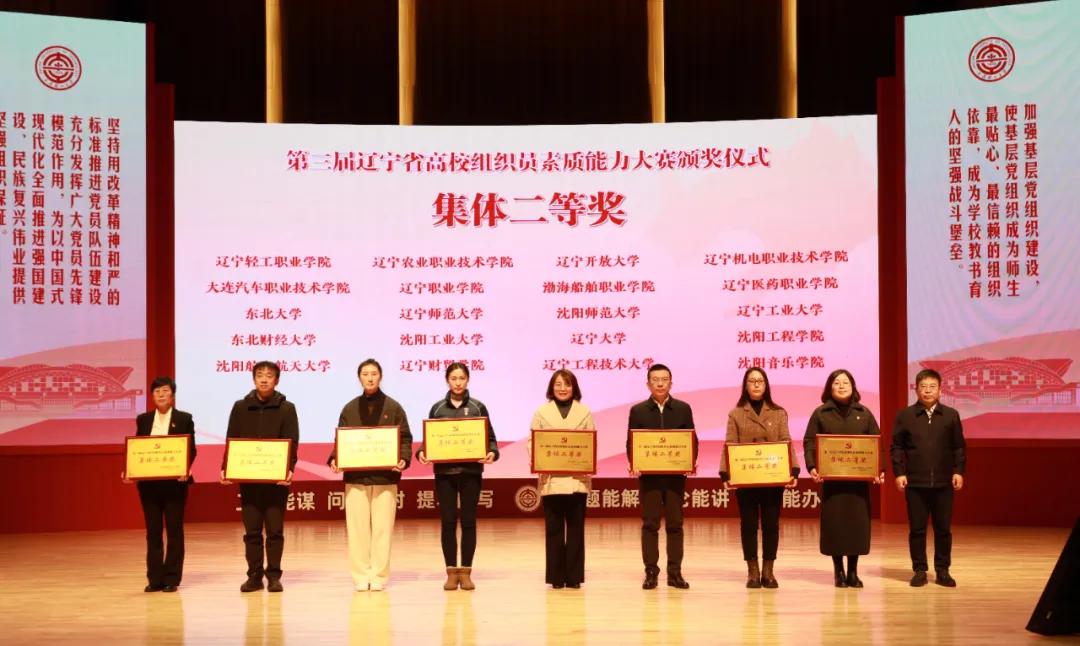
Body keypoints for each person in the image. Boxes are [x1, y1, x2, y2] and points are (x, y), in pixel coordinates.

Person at [328, 359, 412, 591]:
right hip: (356, 478)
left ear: (380, 376)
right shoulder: (350, 408)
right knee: (357, 530)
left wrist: (403, 459)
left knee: (383, 529)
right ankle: (360, 574)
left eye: (374, 373)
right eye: (365, 374)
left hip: (385, 477)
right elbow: (341, 440)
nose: (370, 378)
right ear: (359, 378)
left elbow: (405, 438)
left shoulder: (394, 407)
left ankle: (379, 575)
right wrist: (335, 459)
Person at [417, 362, 499, 591]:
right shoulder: (437, 409)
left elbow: (491, 439)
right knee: (448, 522)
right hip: (445, 474)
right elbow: (428, 441)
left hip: (471, 472)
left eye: (462, 378)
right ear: (447, 380)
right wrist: (422, 452)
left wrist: (492, 453)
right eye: (453, 378)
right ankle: (451, 572)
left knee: (469, 522)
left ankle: (466, 571)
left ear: (468, 379)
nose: (458, 382)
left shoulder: (478, 407)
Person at [220, 360, 300, 593]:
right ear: (254, 379)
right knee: (252, 532)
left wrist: (289, 468)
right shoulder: (240, 407)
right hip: (250, 480)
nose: (264, 379)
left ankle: (273, 576)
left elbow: (292, 441)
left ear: (277, 380)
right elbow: (232, 439)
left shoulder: (287, 408)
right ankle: (254, 576)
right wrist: (226, 467)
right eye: (260, 375)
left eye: (269, 375)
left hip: (276, 481)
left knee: (275, 531)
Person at [719, 367, 799, 589]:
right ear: (745, 386)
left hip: (772, 478)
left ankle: (768, 571)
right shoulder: (736, 413)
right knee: (749, 525)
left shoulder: (778, 412)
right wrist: (725, 473)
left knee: (771, 525)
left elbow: (786, 441)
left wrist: (793, 470)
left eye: (760, 381)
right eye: (752, 381)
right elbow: (730, 443)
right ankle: (752, 571)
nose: (756, 384)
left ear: (766, 385)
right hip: (746, 478)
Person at [803, 369, 884, 588]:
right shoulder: (821, 413)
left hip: (857, 483)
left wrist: (879, 469)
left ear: (853, 387)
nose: (841, 386)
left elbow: (877, 443)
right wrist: (812, 466)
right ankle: (838, 571)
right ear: (830, 387)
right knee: (836, 526)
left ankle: (853, 572)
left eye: (845, 382)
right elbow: (809, 442)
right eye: (836, 382)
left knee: (856, 526)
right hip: (833, 484)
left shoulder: (864, 413)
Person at [891, 368, 966, 588]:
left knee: (943, 530)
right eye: (923, 387)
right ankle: (920, 570)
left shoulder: (951, 415)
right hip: (915, 482)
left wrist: (958, 471)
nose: (927, 391)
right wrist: (899, 473)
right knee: (917, 529)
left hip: (944, 482)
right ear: (916, 390)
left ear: (940, 390)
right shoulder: (905, 416)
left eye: (932, 387)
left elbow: (959, 447)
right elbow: (896, 447)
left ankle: (943, 570)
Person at [626, 363, 697, 590]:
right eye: (655, 379)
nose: (659, 383)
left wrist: (691, 461)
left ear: (671, 383)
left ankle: (675, 573)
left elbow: (692, 440)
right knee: (650, 525)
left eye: (664, 379)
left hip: (675, 477)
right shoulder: (638, 411)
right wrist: (634, 462)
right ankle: (651, 573)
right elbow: (631, 442)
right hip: (650, 478)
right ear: (648, 384)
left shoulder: (683, 409)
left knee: (675, 525)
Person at [123, 376, 196, 592]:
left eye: (165, 390)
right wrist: (130, 469)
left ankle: (172, 578)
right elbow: (138, 449)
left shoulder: (184, 418)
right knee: (153, 531)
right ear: (152, 396)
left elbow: (191, 449)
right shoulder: (144, 419)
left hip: (175, 485)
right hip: (149, 486)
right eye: (157, 391)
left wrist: (185, 468)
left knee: (174, 531)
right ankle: (155, 578)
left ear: (172, 395)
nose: (161, 395)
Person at [528, 369, 594, 589]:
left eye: (567, 384)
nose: (562, 389)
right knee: (554, 530)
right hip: (552, 480)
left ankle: (574, 577)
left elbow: (590, 443)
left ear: (574, 388)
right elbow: (532, 443)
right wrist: (540, 460)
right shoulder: (541, 412)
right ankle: (556, 577)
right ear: (551, 387)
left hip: (577, 480)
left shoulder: (584, 412)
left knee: (576, 530)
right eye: (558, 384)